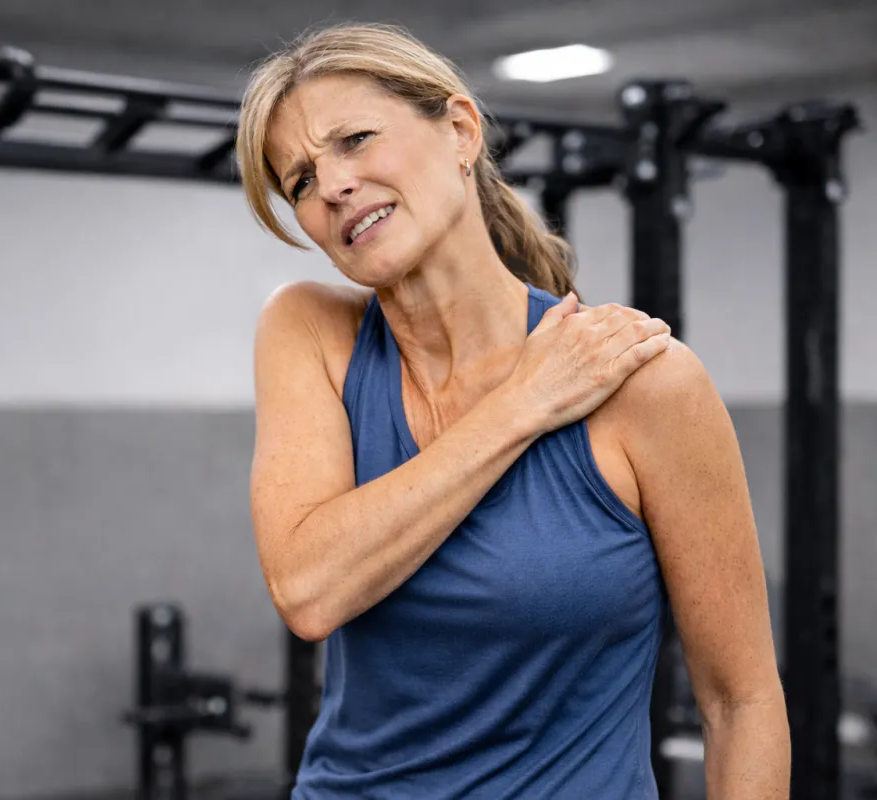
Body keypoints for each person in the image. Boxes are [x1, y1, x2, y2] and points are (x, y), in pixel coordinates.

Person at [238, 22, 789, 799]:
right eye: (299, 181)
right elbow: (309, 589)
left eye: (355, 140)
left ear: (461, 131)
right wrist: (522, 405)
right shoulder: (307, 330)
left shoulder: (646, 385)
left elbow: (741, 702)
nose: (331, 186)